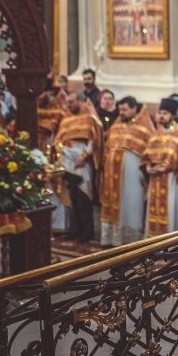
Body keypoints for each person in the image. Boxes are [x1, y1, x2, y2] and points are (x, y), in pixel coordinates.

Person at [100, 96, 153, 246]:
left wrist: (145, 173)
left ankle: (130, 239)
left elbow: (149, 151)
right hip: (112, 175)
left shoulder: (144, 128)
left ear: (134, 108)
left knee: (131, 203)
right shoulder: (116, 126)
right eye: (120, 109)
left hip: (132, 175)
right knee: (113, 203)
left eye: (124, 109)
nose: (121, 113)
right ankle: (112, 238)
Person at [54, 91, 103, 242]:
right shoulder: (66, 119)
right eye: (67, 102)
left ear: (81, 101)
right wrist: (61, 149)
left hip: (83, 162)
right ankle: (75, 230)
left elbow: (94, 141)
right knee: (71, 197)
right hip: (67, 161)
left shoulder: (90, 118)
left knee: (84, 197)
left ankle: (87, 232)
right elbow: (58, 140)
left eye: (71, 102)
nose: (68, 105)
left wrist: (84, 157)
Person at [142, 98, 178, 236]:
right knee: (153, 212)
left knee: (169, 211)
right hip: (154, 180)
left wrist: (166, 167)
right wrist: (148, 167)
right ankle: (152, 243)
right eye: (160, 112)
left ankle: (169, 245)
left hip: (170, 180)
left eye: (165, 113)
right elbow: (147, 155)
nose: (162, 116)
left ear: (173, 116)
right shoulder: (156, 132)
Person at [36, 83, 64, 150]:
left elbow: (56, 127)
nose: (39, 96)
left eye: (41, 93)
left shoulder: (58, 108)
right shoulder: (35, 106)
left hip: (49, 140)